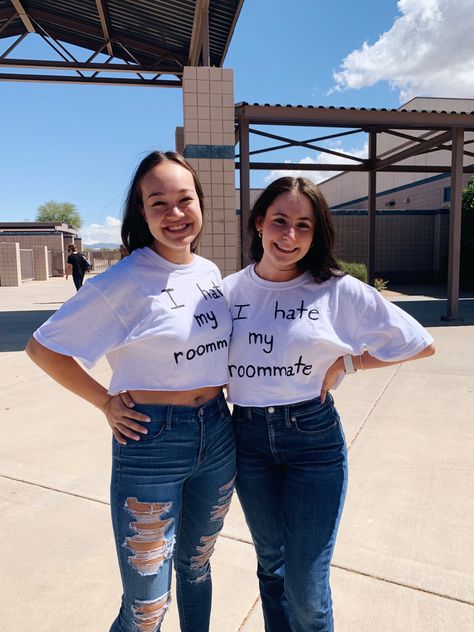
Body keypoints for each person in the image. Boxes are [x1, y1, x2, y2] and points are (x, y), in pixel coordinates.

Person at [26, 151, 235, 632]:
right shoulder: (122, 281)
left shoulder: (208, 273)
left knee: (196, 567)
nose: (175, 213)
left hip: (219, 436)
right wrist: (104, 401)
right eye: (158, 202)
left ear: (199, 204)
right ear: (142, 212)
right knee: (147, 607)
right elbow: (44, 348)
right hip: (152, 442)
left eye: (184, 199)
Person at [222, 176, 435, 632]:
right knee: (271, 566)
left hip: (312, 442)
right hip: (248, 440)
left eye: (304, 226)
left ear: (316, 234)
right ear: (259, 222)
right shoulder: (228, 293)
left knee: (306, 582)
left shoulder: (336, 290)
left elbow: (419, 343)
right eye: (280, 221)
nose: (290, 236)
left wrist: (350, 363)